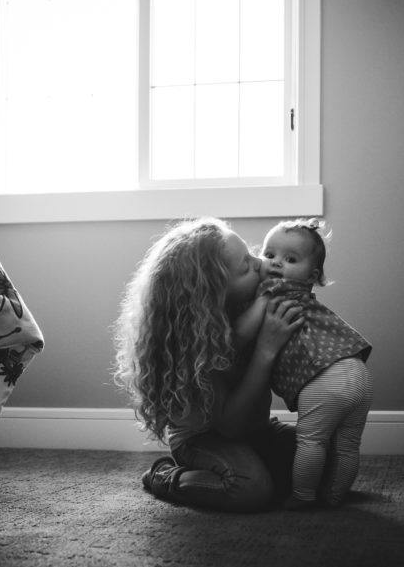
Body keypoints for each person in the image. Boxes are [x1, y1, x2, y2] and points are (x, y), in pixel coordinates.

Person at [112, 217, 305, 512]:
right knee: (251, 487)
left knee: (320, 455)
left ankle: (261, 467)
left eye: (253, 254)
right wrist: (266, 349)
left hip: (256, 431)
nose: (259, 263)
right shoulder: (197, 345)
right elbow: (227, 426)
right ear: (213, 293)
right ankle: (166, 476)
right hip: (203, 440)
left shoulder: (250, 307)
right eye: (246, 266)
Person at [233, 218, 373, 509]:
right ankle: (335, 495)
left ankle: (303, 496)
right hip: (357, 372)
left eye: (290, 259)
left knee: (311, 442)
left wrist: (244, 320)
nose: (276, 263)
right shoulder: (306, 300)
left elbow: (242, 333)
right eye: (269, 254)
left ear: (313, 274)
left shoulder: (271, 292)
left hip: (323, 378)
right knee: (346, 445)